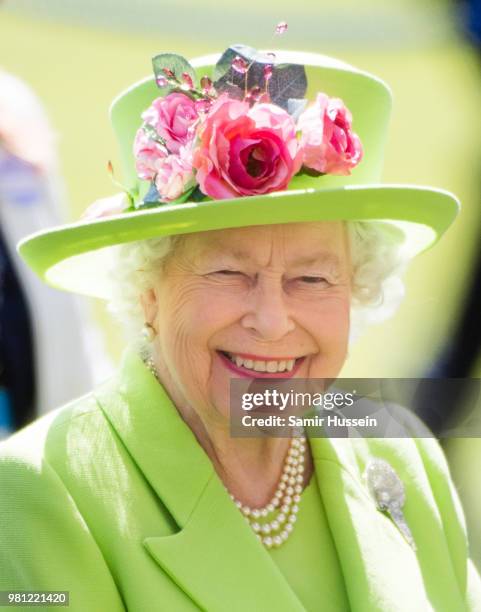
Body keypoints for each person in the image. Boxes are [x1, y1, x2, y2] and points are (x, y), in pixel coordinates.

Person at [1, 45, 480, 611]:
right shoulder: (39, 493)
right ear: (147, 288)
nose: (273, 322)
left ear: (357, 287)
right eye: (229, 272)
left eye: (312, 279)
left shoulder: (401, 451)